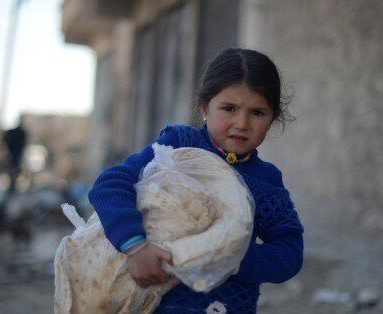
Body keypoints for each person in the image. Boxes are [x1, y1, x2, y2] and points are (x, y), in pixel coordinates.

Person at [88, 48, 304, 313]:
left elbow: (289, 253)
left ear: (273, 117)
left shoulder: (266, 179)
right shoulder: (178, 147)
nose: (241, 123)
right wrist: (134, 245)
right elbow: (110, 184)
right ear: (204, 107)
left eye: (257, 113)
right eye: (229, 108)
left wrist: (230, 258)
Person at [2, 118, 27, 193]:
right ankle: (12, 186)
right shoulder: (19, 132)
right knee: (14, 170)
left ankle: (13, 186)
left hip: (15, 153)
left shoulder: (15, 131)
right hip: (15, 153)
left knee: (14, 170)